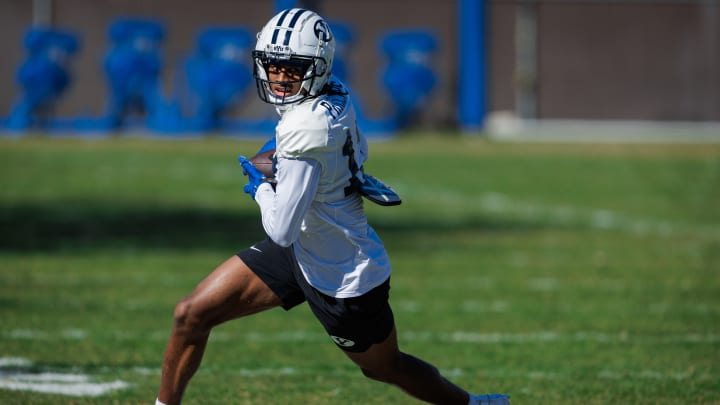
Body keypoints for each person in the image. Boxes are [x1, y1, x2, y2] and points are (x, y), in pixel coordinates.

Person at [155, 8, 510, 405]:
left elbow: (280, 229)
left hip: (341, 271)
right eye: (273, 66)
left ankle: (474, 404)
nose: (281, 77)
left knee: (384, 366)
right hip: (304, 244)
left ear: (317, 67)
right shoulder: (334, 90)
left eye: (292, 69)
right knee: (191, 314)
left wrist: (259, 186)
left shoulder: (306, 128)